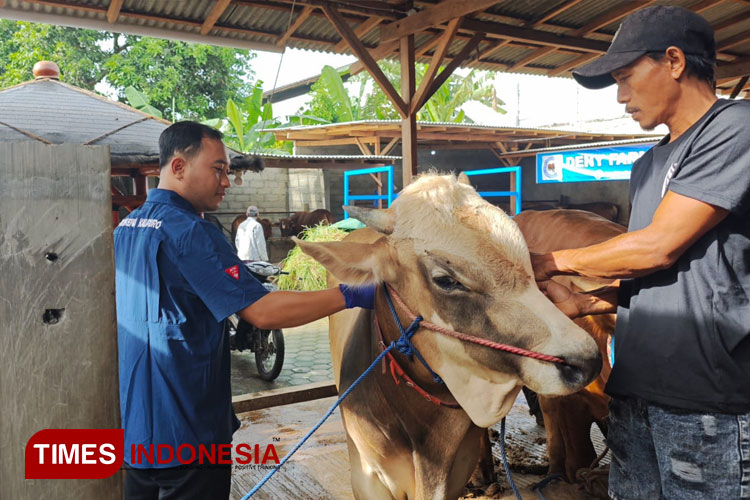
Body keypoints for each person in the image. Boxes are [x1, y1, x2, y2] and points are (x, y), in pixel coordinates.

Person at [530, 6, 750, 500]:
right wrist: (589, 302)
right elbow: (670, 280)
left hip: (709, 403)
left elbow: (658, 248)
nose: (621, 96)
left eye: (626, 77)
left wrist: (550, 261)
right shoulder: (647, 165)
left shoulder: (736, 129)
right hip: (633, 393)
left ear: (673, 61)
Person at [114, 121, 374, 500]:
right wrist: (350, 295)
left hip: (137, 431)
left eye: (228, 171)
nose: (226, 182)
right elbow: (263, 312)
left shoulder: (129, 225)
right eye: (218, 169)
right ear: (179, 167)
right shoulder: (191, 232)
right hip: (189, 430)